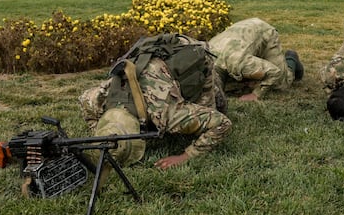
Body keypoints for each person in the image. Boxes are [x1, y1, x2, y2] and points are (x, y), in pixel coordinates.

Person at [78, 34, 232, 170]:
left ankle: (216, 92)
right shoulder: (98, 99)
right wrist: (98, 131)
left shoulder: (165, 115)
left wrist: (185, 156)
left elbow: (222, 124)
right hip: (153, 62)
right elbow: (84, 99)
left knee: (209, 107)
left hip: (189, 51)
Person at [208, 18, 304, 102]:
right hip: (239, 34)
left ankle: (291, 58)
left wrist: (255, 94)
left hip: (263, 31)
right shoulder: (205, 56)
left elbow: (275, 72)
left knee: (281, 84)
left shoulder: (238, 63)